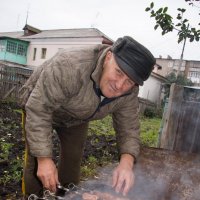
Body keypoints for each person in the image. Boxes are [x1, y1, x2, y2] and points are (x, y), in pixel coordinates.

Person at [19, 36, 155, 199]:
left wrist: (126, 164)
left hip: (77, 115)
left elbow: (129, 129)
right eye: (118, 72)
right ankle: (31, 196)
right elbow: (39, 108)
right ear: (108, 57)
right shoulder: (70, 65)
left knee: (73, 160)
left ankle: (68, 196)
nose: (120, 85)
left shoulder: (129, 92)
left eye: (129, 81)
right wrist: (44, 158)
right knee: (36, 164)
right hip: (40, 104)